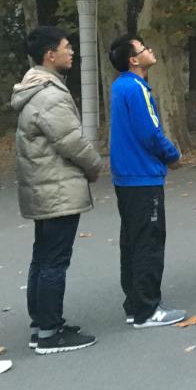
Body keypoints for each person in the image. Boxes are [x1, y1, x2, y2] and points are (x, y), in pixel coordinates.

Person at [12, 26, 102, 354]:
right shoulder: (49, 93)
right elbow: (71, 141)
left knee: (43, 257)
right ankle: (50, 333)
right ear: (50, 54)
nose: (72, 52)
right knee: (54, 260)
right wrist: (95, 165)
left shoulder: (34, 87)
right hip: (57, 188)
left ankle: (42, 325)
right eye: (67, 47)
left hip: (44, 186)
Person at [107, 35, 186, 329]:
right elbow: (150, 132)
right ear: (133, 59)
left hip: (126, 176)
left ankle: (134, 304)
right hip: (142, 175)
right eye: (143, 48)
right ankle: (147, 309)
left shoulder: (119, 86)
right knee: (148, 242)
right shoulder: (136, 88)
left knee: (132, 241)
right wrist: (172, 155)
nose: (150, 50)